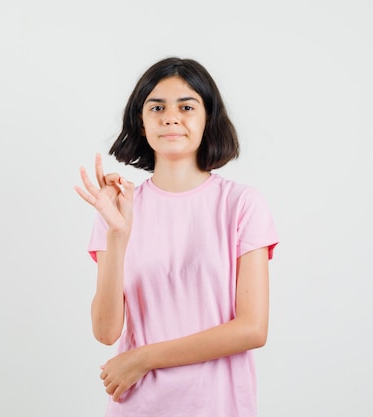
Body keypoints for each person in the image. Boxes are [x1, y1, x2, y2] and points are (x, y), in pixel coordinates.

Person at [74, 57, 278, 417]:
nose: (170, 117)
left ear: (207, 118)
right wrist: (118, 235)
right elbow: (106, 332)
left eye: (186, 106)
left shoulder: (241, 204)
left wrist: (144, 358)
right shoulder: (117, 208)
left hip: (218, 406)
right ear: (141, 121)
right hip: (138, 406)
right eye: (157, 107)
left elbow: (252, 328)